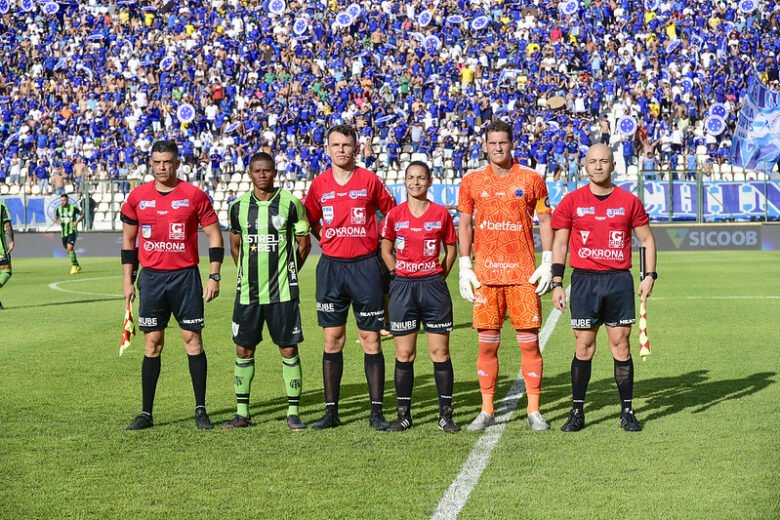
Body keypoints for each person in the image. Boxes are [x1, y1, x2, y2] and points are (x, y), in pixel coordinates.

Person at [550, 143, 657, 432]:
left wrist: (649, 276)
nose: (598, 166)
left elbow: (647, 240)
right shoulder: (572, 201)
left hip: (618, 281)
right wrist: (557, 282)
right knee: (583, 347)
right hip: (584, 280)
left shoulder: (628, 201)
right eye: (593, 161)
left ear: (613, 165)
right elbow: (560, 243)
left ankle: (627, 411)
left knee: (620, 345)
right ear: (585, 165)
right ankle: (577, 412)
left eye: (604, 161)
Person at [120, 140, 224, 431]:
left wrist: (214, 275)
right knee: (152, 343)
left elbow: (215, 237)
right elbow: (129, 242)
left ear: (177, 163)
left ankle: (201, 409)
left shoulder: (194, 196)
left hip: (185, 278)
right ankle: (146, 413)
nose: (162, 167)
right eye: (157, 162)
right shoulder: (137, 197)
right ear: (151, 164)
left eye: (167, 162)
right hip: (151, 279)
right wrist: (128, 280)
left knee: (193, 340)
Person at [457, 120, 554, 432]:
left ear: (512, 144)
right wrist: (464, 265)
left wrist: (548, 261)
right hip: (486, 276)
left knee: (529, 345)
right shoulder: (471, 182)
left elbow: (545, 220)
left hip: (523, 275)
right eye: (492, 143)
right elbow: (465, 225)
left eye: (503, 142)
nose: (497, 148)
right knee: (487, 346)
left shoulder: (532, 179)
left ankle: (534, 409)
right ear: (485, 146)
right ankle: (486, 410)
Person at [303, 124, 397, 431]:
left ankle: (377, 413)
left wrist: (381, 244)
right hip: (331, 268)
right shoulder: (319, 185)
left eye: (347, 145)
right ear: (327, 149)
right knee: (333, 340)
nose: (341, 149)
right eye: (336, 145)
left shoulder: (369, 180)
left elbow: (391, 214)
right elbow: (310, 220)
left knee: (371, 340)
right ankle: (331, 412)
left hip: (365, 267)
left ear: (355, 149)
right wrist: (326, 238)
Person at [222, 152, 312, 431]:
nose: (263, 175)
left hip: (282, 291)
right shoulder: (237, 207)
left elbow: (303, 244)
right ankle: (241, 413)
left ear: (275, 172)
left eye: (267, 170)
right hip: (248, 292)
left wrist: (289, 270)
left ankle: (293, 412)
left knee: (287, 347)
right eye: (257, 171)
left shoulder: (291, 203)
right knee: (243, 348)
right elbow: (235, 247)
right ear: (250, 173)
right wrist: (246, 272)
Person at [379, 161, 459, 432]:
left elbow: (450, 251)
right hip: (403, 288)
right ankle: (404, 415)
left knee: (440, 352)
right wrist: (396, 273)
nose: (416, 182)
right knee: (404, 353)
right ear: (405, 181)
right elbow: (386, 249)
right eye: (411, 178)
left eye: (421, 178)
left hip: (433, 288)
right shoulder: (394, 215)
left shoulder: (441, 214)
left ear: (429, 181)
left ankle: (445, 415)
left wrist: (438, 277)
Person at [54, 194, 84, 274]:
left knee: (70, 248)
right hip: (64, 232)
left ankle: (74, 266)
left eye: (64, 200)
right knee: (68, 250)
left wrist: (77, 222)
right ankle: (77, 265)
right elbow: (56, 218)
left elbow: (82, 215)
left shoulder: (73, 208)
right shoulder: (58, 209)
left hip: (72, 231)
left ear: (67, 200)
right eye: (61, 201)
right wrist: (58, 222)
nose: (62, 202)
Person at [0, 200, 15, 309]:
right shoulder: (2, 207)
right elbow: (8, 225)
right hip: (0, 246)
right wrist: (12, 240)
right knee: (6, 272)